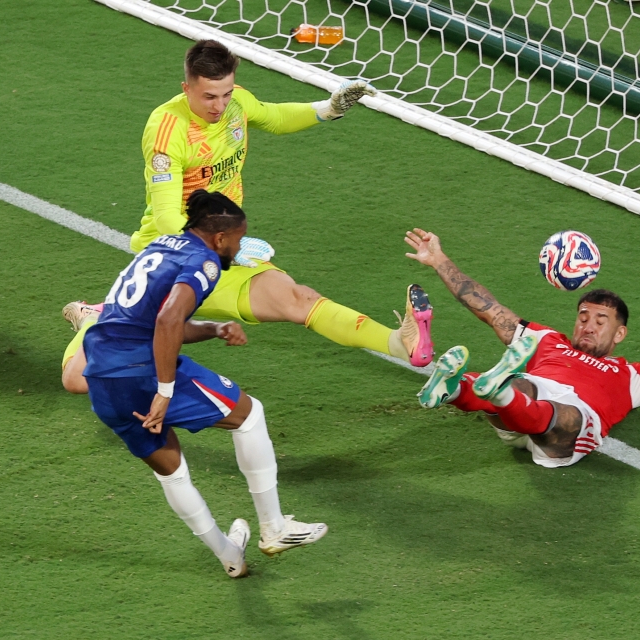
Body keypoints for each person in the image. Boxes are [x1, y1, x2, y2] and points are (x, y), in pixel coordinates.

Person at [60, 39, 433, 393]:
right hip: (169, 259)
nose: (220, 105)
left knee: (298, 299)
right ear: (186, 88)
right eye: (209, 96)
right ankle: (96, 319)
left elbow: (274, 116)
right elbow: (166, 218)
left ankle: (400, 343)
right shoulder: (167, 131)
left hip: (220, 249)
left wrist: (328, 108)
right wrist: (222, 249)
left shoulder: (235, 102)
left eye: (225, 93)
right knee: (79, 380)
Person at [84, 189, 326, 578]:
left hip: (102, 376)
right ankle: (274, 527)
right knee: (248, 415)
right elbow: (167, 320)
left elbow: (157, 321)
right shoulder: (205, 262)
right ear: (219, 237)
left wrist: (213, 328)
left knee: (171, 470)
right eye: (238, 239)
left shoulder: (163, 245)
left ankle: (229, 555)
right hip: (142, 370)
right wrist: (164, 392)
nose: (239, 247)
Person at [404, 228, 640, 468]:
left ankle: (482, 389)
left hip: (561, 433)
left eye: (600, 321)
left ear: (620, 333)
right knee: (522, 384)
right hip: (522, 407)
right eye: (583, 318)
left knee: (569, 416)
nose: (588, 326)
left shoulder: (634, 377)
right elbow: (488, 308)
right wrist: (438, 259)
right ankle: (459, 390)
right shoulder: (546, 340)